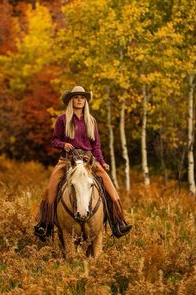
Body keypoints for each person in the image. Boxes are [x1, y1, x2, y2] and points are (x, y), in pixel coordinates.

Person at [34, 86, 132, 240]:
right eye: (76, 97)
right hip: (67, 159)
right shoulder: (62, 119)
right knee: (51, 188)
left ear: (85, 101)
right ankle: (45, 224)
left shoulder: (91, 121)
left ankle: (117, 222)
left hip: (88, 160)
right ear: (71, 100)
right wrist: (63, 145)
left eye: (82, 97)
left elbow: (96, 146)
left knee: (109, 186)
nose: (79, 100)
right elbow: (55, 140)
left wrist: (102, 162)